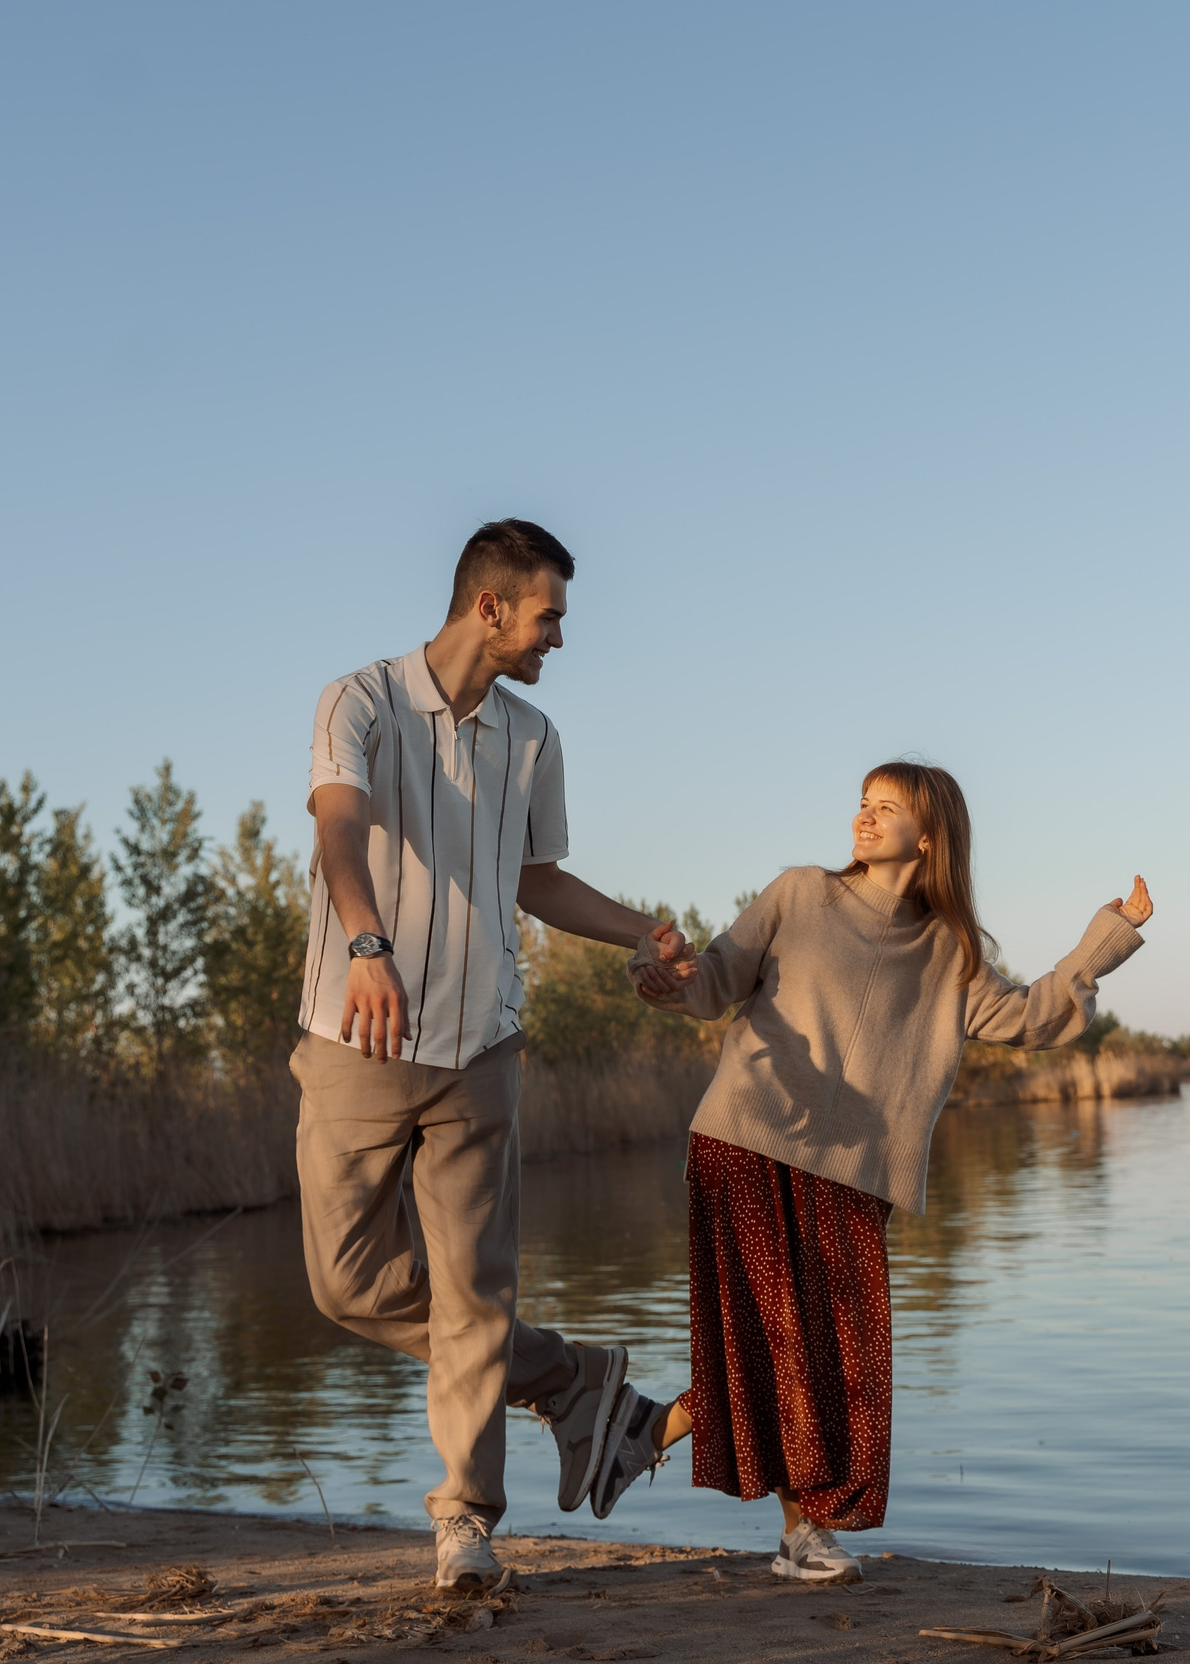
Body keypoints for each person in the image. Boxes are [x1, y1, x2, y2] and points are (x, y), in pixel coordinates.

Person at [589, 760, 1153, 1582]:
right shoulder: (799, 894)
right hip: (748, 1139)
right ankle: (801, 1535)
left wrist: (1104, 939)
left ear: (928, 836)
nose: (864, 816)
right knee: (784, 1346)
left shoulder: (947, 950)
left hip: (854, 1171)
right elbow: (711, 981)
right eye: (862, 802)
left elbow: (1030, 1015)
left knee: (842, 1357)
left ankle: (645, 1432)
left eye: (885, 807)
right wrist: (661, 975)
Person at [292, 519, 692, 1591]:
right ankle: (575, 1385)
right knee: (346, 1285)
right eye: (548, 614)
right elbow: (338, 823)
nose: (559, 636)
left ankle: (465, 1521)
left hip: (482, 1051)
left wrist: (640, 929)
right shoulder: (360, 700)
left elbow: (536, 878)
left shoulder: (532, 736)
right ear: (491, 607)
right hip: (356, 1035)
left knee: (473, 1293)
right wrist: (367, 945)